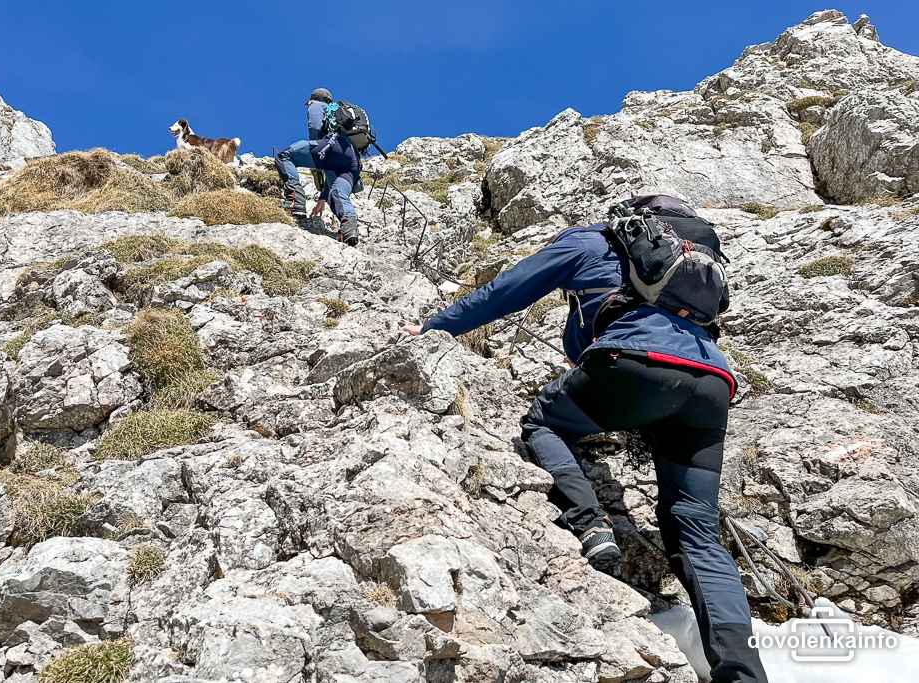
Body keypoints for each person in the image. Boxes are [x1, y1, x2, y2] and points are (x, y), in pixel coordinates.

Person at [403, 195, 768, 683]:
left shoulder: (596, 238)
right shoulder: (700, 257)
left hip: (631, 360)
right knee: (697, 532)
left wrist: (435, 326)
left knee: (545, 423)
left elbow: (509, 288)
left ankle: (591, 524)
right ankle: (743, 673)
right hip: (712, 382)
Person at [275, 87, 360, 246]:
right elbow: (330, 174)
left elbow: (314, 127)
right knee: (337, 192)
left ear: (313, 99)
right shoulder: (340, 117)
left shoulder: (317, 105)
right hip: (352, 161)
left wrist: (316, 149)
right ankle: (349, 229)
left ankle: (295, 201)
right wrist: (322, 198)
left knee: (284, 156)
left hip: (331, 147)